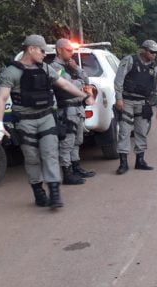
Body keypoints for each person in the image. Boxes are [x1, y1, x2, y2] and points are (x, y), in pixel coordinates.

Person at [0, 34, 94, 208]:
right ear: (31, 49)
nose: (44, 54)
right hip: (25, 121)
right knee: (32, 158)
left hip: (46, 118)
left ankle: (55, 193)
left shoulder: (46, 68)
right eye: (42, 51)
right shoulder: (12, 71)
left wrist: (84, 96)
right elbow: (1, 98)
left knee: (50, 154)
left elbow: (65, 84)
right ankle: (39, 193)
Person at [113, 40, 157, 175]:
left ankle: (140, 161)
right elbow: (119, 80)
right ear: (144, 50)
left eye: (155, 53)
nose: (154, 55)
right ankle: (123, 163)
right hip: (127, 101)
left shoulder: (154, 68)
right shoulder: (130, 60)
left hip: (143, 103)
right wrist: (119, 98)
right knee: (124, 131)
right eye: (152, 52)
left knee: (141, 131)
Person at [49, 38, 95, 186]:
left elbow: (86, 79)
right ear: (59, 50)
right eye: (69, 50)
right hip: (66, 109)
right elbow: (67, 85)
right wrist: (81, 82)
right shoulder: (55, 67)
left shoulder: (70, 66)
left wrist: (77, 69)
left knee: (77, 141)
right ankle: (67, 173)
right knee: (67, 142)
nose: (72, 53)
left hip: (77, 108)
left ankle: (76, 167)